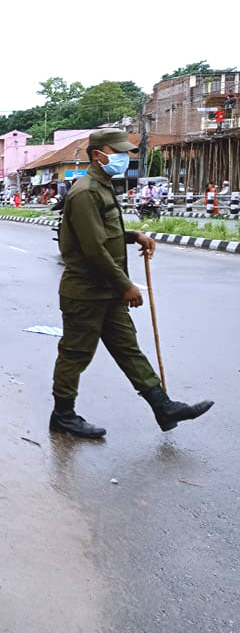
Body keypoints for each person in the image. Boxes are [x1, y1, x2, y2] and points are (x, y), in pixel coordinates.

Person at [50, 128, 213, 438]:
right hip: (85, 292)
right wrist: (126, 284)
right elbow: (93, 248)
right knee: (75, 354)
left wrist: (133, 236)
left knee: (129, 350)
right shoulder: (86, 192)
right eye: (118, 152)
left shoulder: (103, 187)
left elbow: (104, 235)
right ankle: (63, 415)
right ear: (98, 156)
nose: (124, 158)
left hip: (107, 291)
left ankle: (163, 406)